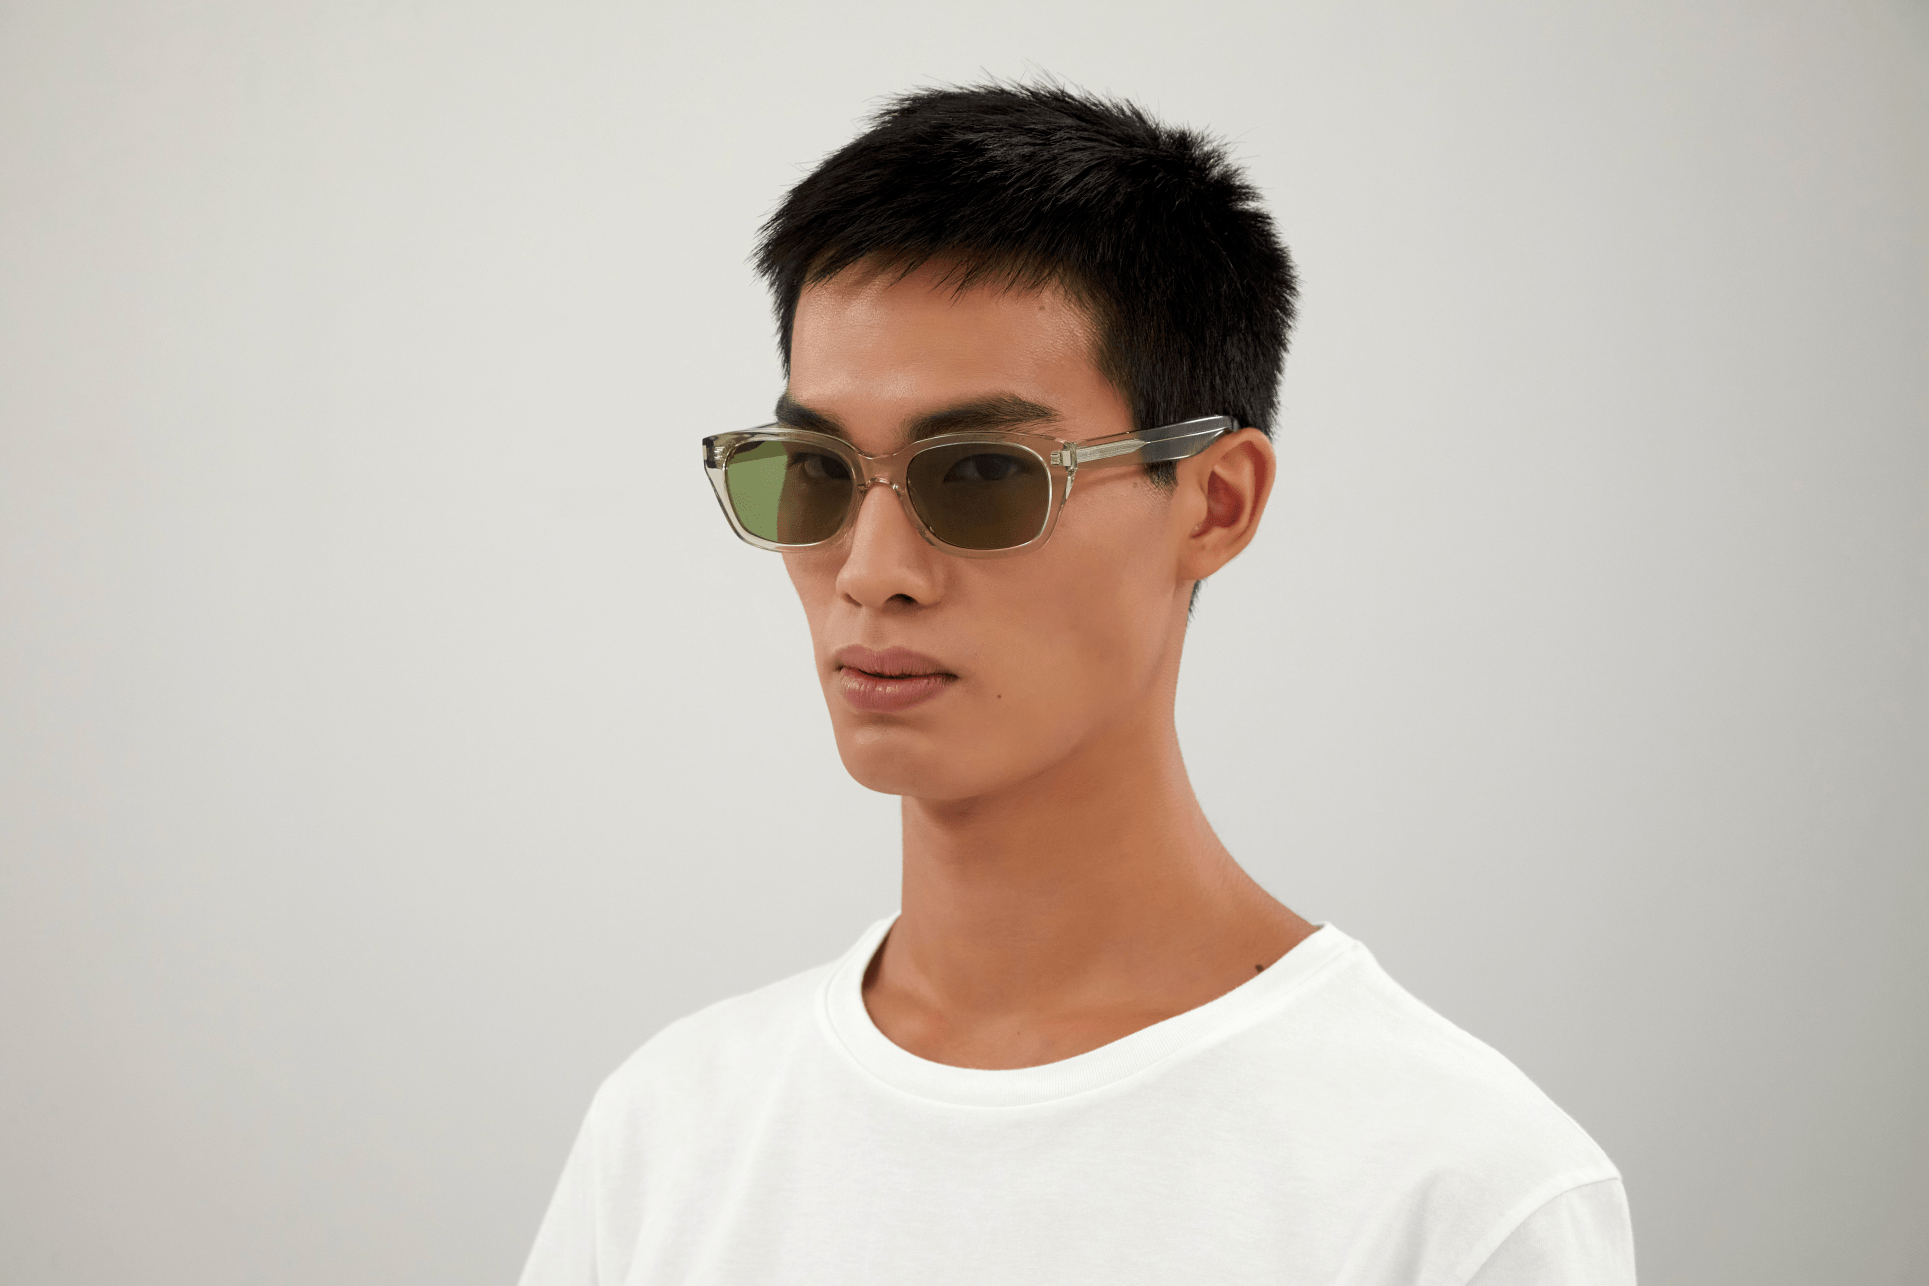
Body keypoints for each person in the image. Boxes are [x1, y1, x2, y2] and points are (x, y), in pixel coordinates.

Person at [520, 82, 1636, 1285]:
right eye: (818, 471)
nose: (871, 570)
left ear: (1214, 502)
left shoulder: (1454, 1190)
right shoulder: (671, 1135)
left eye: (982, 474)